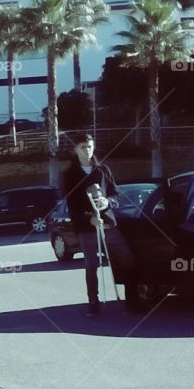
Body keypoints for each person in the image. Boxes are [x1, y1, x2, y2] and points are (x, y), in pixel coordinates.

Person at [63, 132, 119, 316]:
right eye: (82, 147)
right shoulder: (70, 175)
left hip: (108, 223)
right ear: (75, 150)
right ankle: (93, 302)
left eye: (89, 146)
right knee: (91, 264)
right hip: (86, 227)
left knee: (123, 259)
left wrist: (108, 202)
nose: (87, 150)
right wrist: (89, 218)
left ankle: (131, 298)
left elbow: (116, 195)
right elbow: (72, 206)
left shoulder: (103, 170)